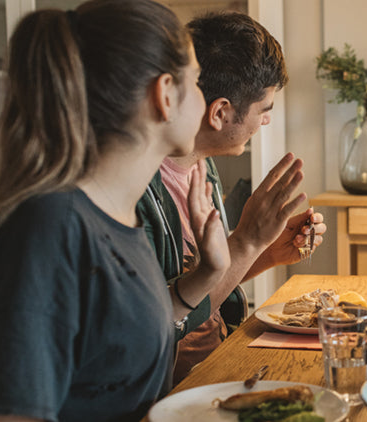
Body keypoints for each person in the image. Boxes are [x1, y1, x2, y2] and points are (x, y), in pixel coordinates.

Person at [0, 0, 231, 420]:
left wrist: (207, 273)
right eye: (196, 82)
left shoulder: (118, 216)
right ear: (165, 95)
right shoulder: (46, 231)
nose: (204, 97)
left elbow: (116, 336)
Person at [135, 11, 326, 383]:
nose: (266, 122)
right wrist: (247, 239)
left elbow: (202, 281)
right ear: (221, 112)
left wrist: (265, 250)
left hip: (217, 362)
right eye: (264, 110)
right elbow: (160, 321)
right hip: (173, 387)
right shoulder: (137, 189)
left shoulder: (203, 166)